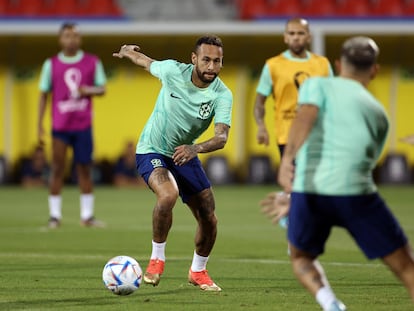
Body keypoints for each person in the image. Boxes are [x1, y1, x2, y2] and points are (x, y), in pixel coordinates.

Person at [277, 36, 414, 311]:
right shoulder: (379, 114)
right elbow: (369, 161)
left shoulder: (316, 84)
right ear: (374, 71)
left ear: (339, 65)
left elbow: (306, 115)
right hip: (356, 193)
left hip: (309, 190)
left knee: (300, 256)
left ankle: (330, 303)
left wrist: (287, 160)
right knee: (406, 268)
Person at [112, 35, 233, 291]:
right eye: (206, 60)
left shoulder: (222, 94)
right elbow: (146, 62)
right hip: (152, 148)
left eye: (217, 61)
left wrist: (195, 148)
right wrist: (127, 51)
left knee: (209, 218)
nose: (211, 67)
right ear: (194, 59)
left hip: (184, 153)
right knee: (168, 195)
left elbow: (222, 137)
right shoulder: (172, 71)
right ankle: (157, 258)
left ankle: (198, 271)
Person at [254, 18, 333, 226]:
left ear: (308, 37)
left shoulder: (322, 64)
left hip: (318, 134)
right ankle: (295, 233)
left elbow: (332, 98)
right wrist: (261, 126)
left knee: (313, 186)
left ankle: (290, 208)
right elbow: (260, 102)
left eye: (300, 33)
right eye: (291, 33)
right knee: (299, 185)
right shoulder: (273, 65)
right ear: (285, 37)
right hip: (288, 135)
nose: (295, 37)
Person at [38, 22, 107, 228]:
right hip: (60, 125)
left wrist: (88, 90)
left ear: (80, 39)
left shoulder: (92, 62)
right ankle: (54, 216)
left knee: (84, 168)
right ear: (60, 39)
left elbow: (102, 89)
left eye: (75, 35)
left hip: (83, 124)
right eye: (67, 35)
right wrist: (39, 124)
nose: (71, 39)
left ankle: (87, 216)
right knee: (57, 168)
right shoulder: (51, 64)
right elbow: (43, 94)